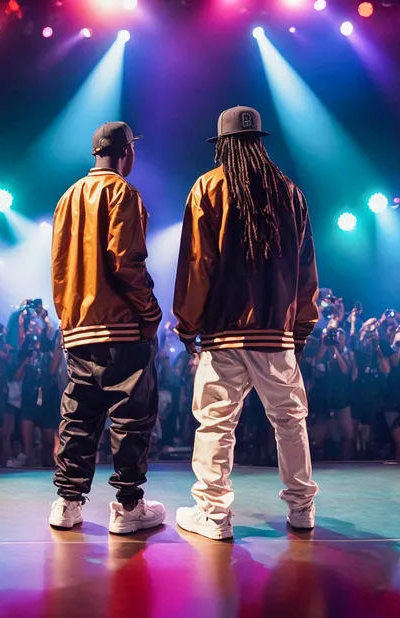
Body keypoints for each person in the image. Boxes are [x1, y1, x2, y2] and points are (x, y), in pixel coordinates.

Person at [173, 106, 320, 540]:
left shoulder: (209, 187)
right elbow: (306, 265)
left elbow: (197, 263)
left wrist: (187, 324)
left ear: (221, 145)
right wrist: (302, 325)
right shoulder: (289, 191)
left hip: (223, 333)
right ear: (259, 142)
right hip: (276, 332)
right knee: (290, 420)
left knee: (216, 423)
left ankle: (214, 516)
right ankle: (302, 508)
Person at [49, 121, 166, 534]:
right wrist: (150, 314)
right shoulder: (123, 193)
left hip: (79, 328)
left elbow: (60, 270)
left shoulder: (68, 197)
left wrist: (68, 321)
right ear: (126, 152)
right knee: (131, 420)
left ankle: (67, 502)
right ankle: (129, 506)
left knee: (79, 417)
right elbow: (127, 263)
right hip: (121, 328)